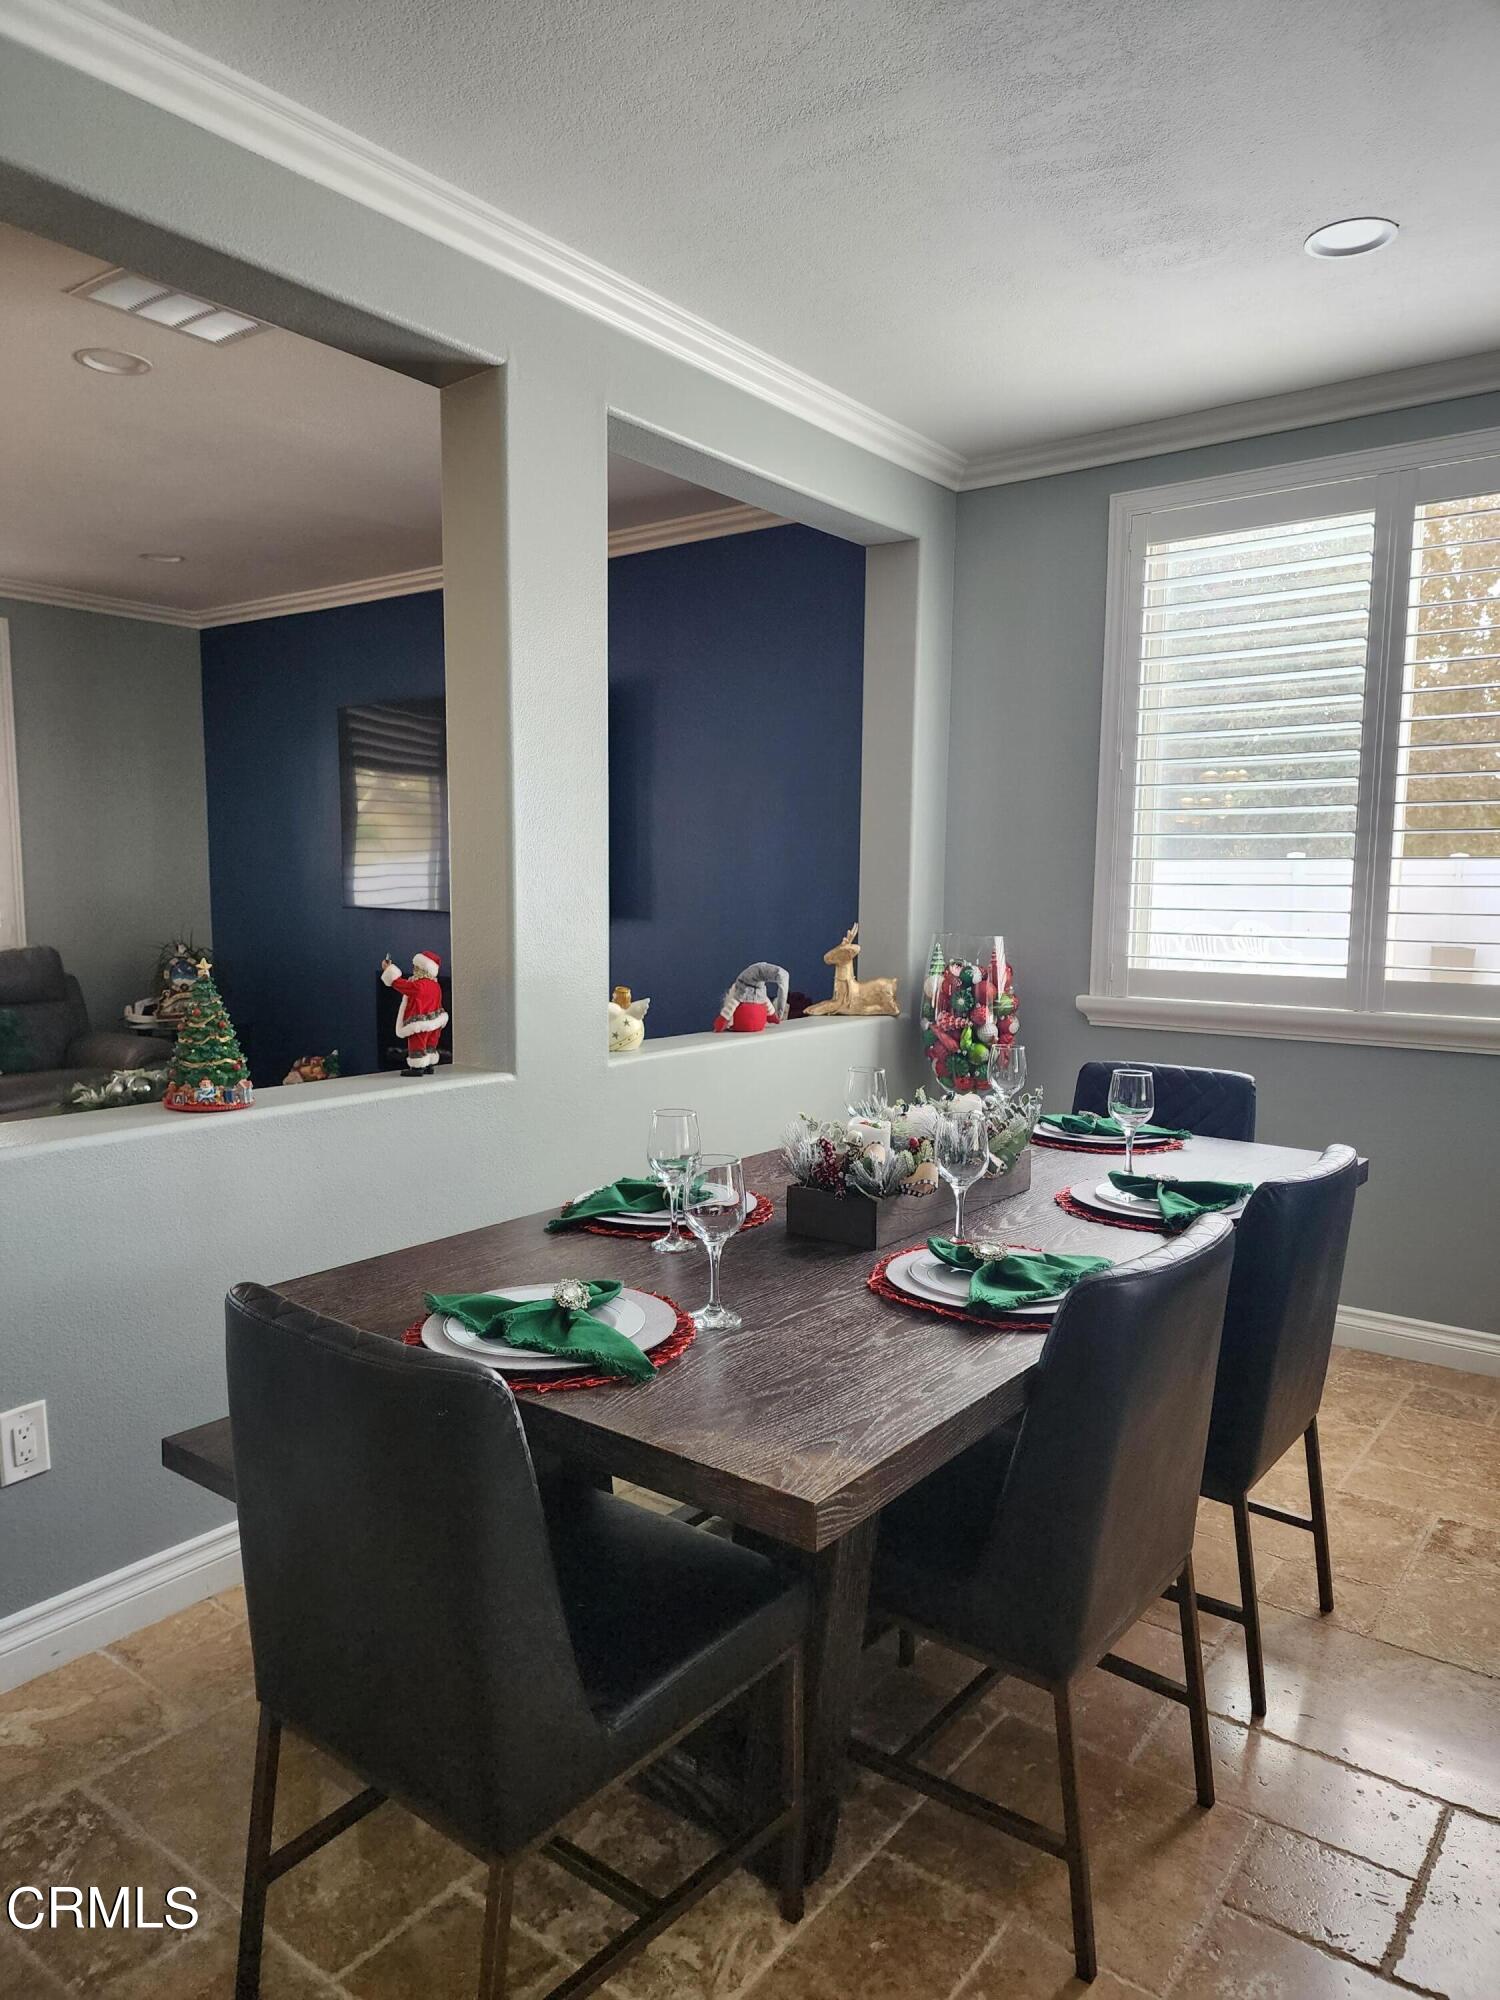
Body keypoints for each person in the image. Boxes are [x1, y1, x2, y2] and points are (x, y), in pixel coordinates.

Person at [380, 952, 449, 1076]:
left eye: (416, 967)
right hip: (435, 1022)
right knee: (430, 1044)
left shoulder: (419, 985)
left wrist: (388, 970)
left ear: (422, 969)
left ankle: (417, 1067)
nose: (413, 969)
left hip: (420, 1023)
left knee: (417, 1044)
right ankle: (429, 1065)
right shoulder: (436, 985)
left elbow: (401, 985)